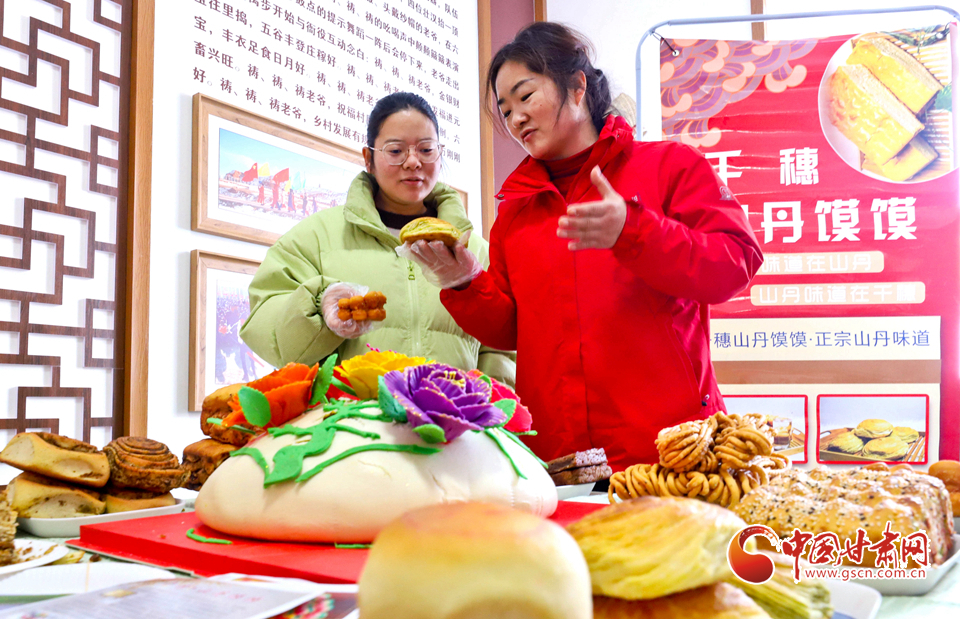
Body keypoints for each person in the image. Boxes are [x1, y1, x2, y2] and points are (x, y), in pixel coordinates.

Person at [404, 23, 762, 470]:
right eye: (506, 109)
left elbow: (735, 262)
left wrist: (634, 231)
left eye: (525, 96)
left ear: (577, 86)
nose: (515, 119)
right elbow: (512, 331)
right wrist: (463, 282)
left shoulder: (669, 167)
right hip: (562, 457)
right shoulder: (516, 209)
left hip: (671, 450)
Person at [240, 92, 516, 386]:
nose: (413, 162)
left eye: (426, 149)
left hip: (452, 414)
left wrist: (486, 407)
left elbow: (503, 351)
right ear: (368, 158)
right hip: (350, 414)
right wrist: (319, 307)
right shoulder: (315, 237)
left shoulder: (474, 251)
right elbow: (266, 328)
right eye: (396, 151)